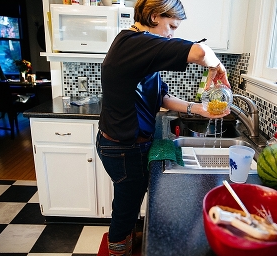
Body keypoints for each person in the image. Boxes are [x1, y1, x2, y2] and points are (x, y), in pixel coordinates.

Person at [96, 0, 230, 254]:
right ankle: (117, 251)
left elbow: (161, 99)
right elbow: (200, 53)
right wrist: (218, 67)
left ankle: (123, 246)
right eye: (171, 25)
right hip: (123, 148)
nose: (171, 34)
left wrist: (199, 109)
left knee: (130, 203)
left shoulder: (138, 48)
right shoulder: (133, 43)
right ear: (155, 16)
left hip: (124, 145)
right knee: (126, 208)